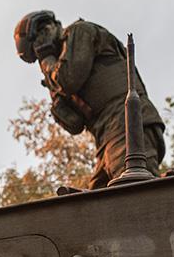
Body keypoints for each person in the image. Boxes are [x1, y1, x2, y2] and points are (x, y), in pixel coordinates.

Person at [13, 11, 166, 188]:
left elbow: (69, 79)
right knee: (93, 204)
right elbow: (75, 124)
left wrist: (48, 60)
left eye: (38, 46)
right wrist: (57, 100)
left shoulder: (80, 32)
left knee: (136, 191)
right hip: (106, 137)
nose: (40, 53)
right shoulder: (59, 65)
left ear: (47, 28)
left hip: (125, 122)